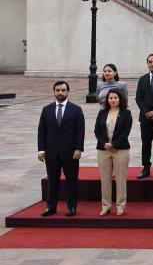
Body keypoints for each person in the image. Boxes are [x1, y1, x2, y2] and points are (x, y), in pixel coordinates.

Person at [37, 81, 85, 217]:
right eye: (57, 90)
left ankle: (71, 207)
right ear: (53, 92)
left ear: (68, 92)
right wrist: (41, 150)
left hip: (70, 153)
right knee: (52, 182)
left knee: (72, 181)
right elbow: (42, 131)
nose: (60, 93)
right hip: (51, 153)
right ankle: (51, 206)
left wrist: (78, 149)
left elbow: (80, 131)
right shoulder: (46, 109)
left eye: (63, 90)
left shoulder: (76, 109)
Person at [93, 88, 132, 216]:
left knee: (121, 179)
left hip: (121, 150)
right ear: (107, 100)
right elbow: (97, 131)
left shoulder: (126, 113)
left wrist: (114, 144)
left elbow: (125, 132)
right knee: (105, 179)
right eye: (110, 98)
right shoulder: (102, 113)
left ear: (120, 99)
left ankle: (120, 206)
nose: (113, 100)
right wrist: (105, 143)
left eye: (115, 98)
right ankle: (106, 205)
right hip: (103, 149)